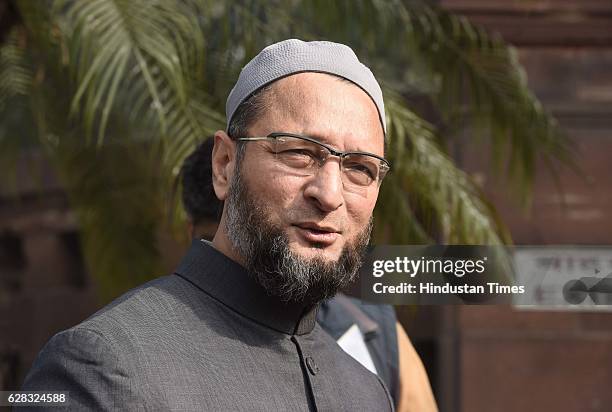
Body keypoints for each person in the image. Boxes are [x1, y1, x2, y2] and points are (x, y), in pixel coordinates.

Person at [23, 39, 395, 410]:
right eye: (299, 153)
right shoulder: (100, 367)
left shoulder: (366, 392)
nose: (329, 194)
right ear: (224, 165)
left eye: (360, 168)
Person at [182, 138, 439, 412]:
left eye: (361, 169)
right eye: (218, 239)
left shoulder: (375, 334)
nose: (238, 258)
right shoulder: (156, 337)